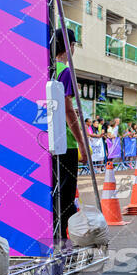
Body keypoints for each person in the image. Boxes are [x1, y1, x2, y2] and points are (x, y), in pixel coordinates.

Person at [54, 28, 87, 242]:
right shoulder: (64, 71)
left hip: (44, 141)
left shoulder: (43, 68)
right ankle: (64, 241)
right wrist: (81, 143)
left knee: (52, 192)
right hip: (64, 143)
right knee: (66, 195)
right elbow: (67, 110)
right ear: (71, 46)